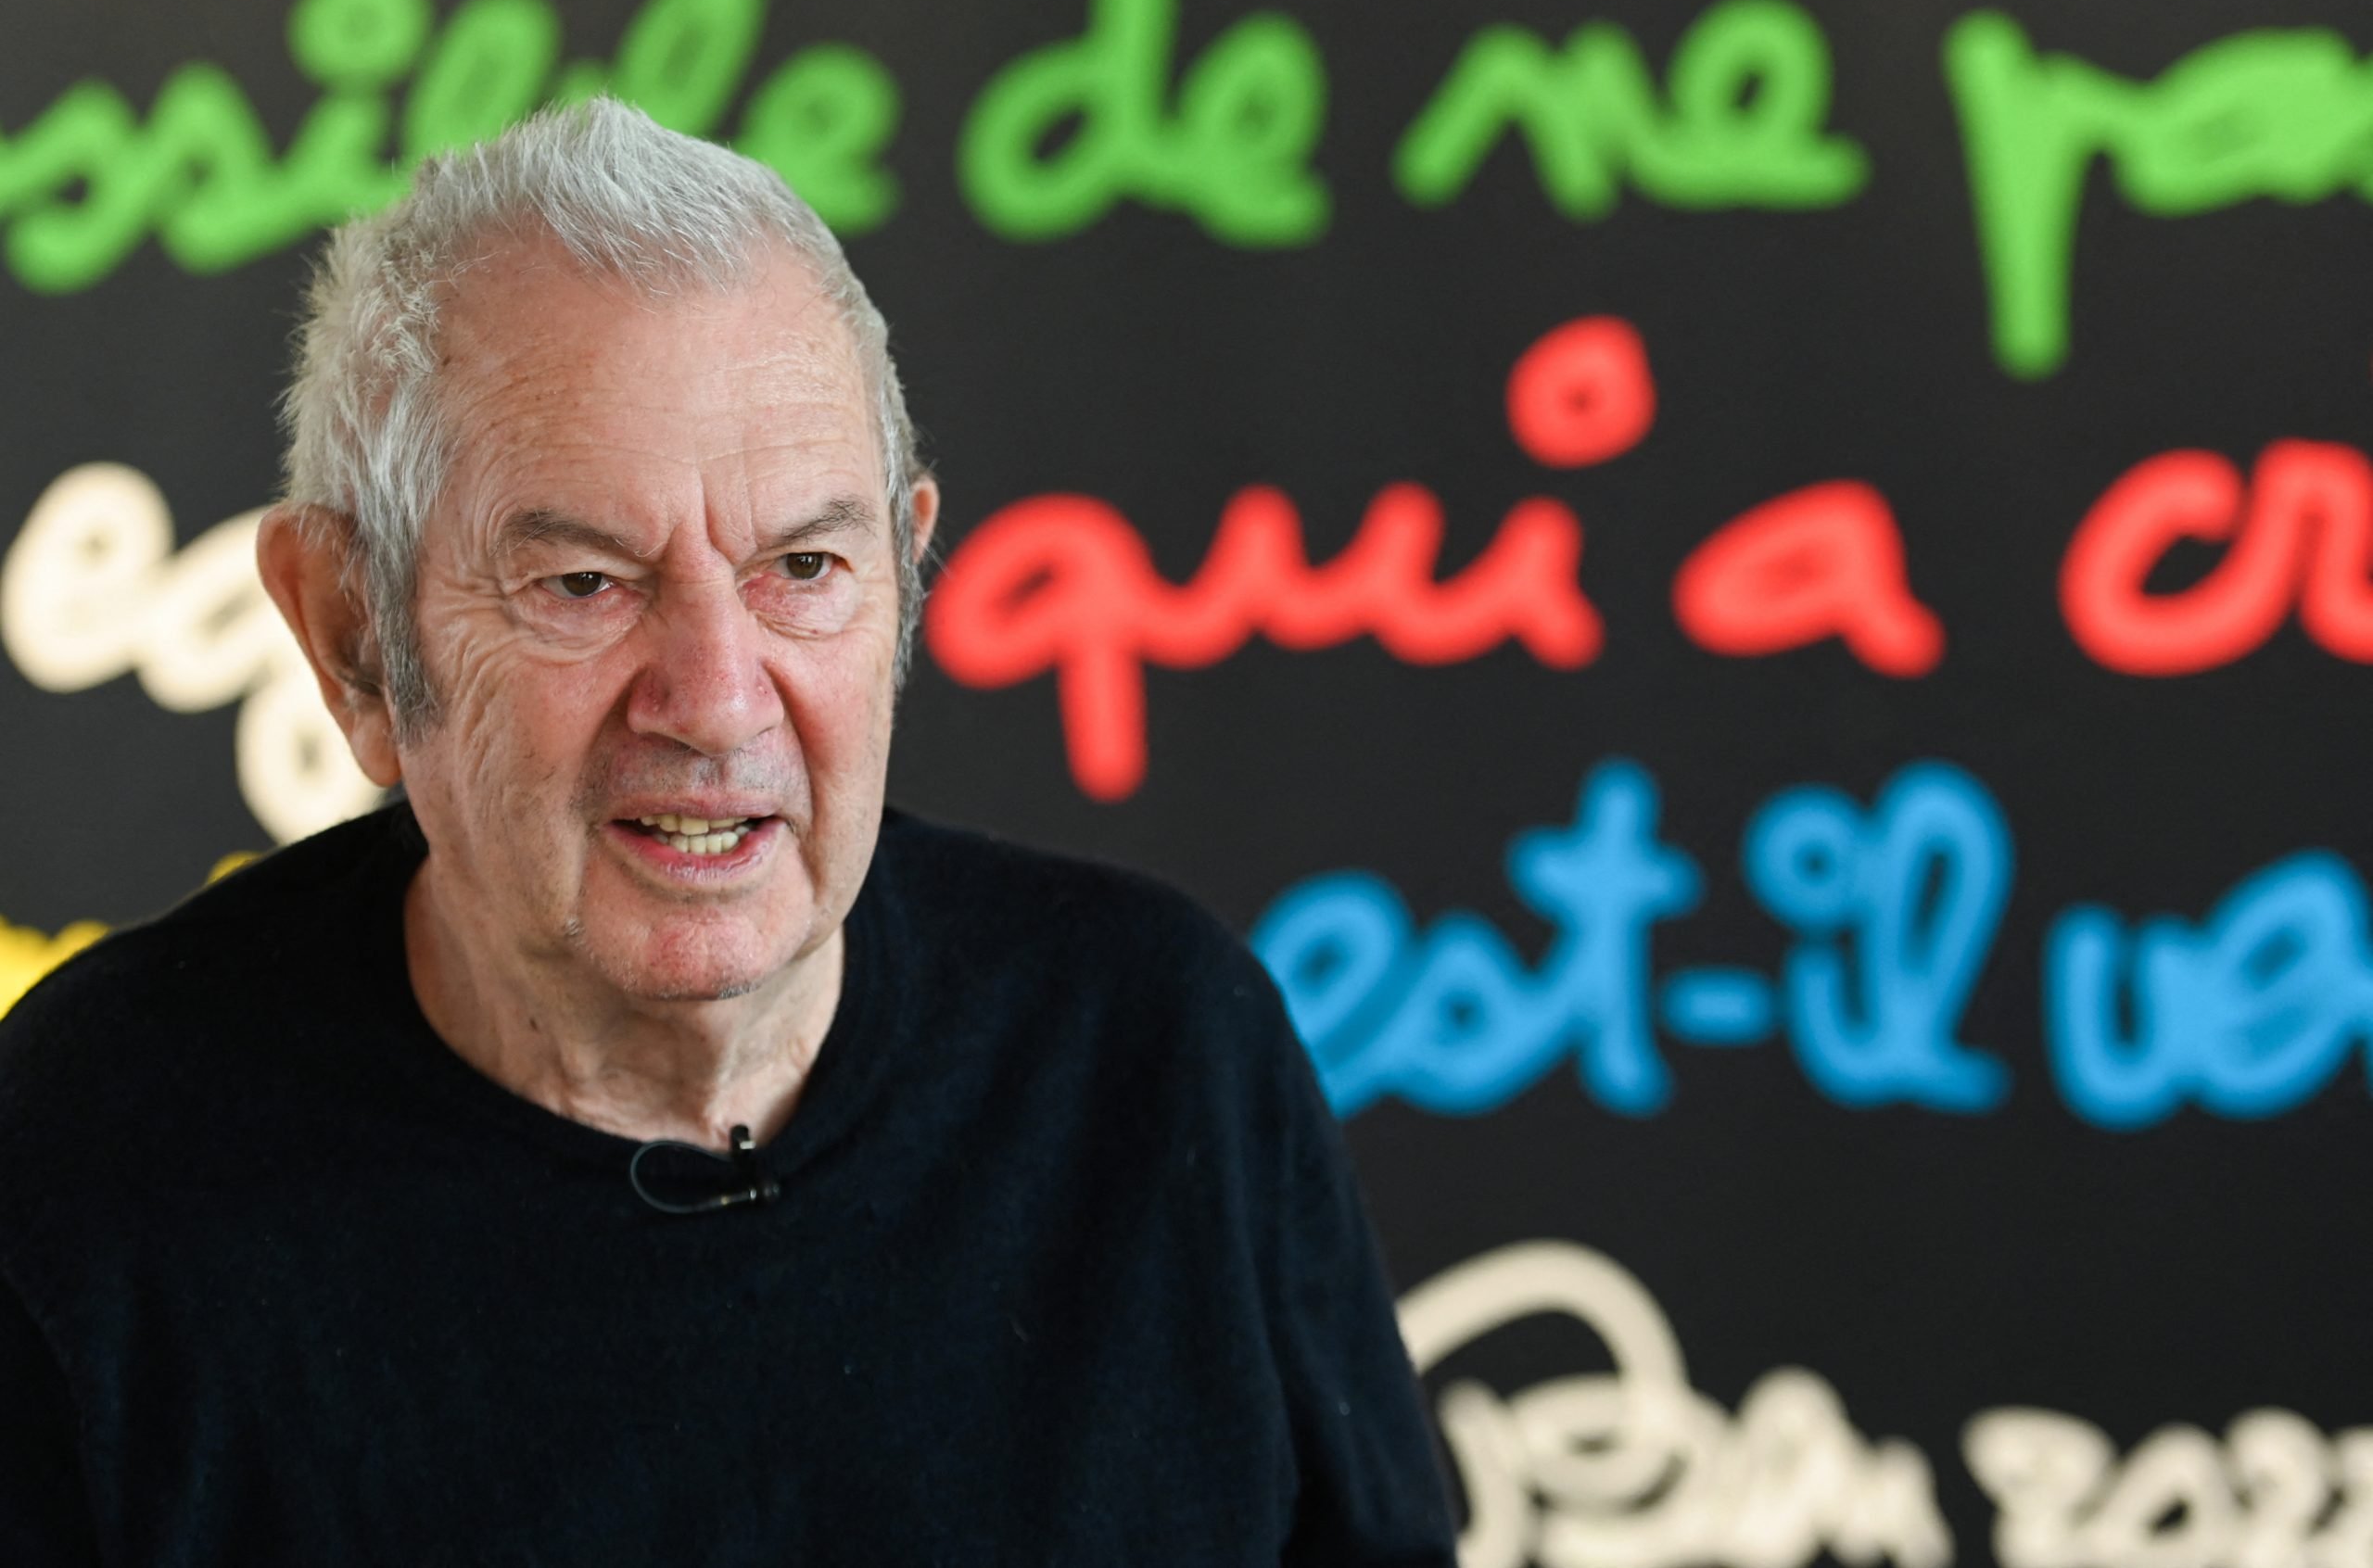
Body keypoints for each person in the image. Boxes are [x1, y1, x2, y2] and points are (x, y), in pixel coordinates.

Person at [0, 99, 1457, 1563]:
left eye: (805, 566)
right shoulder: (80, 1170)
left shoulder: (1160, 1056)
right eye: (584, 584)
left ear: (906, 572)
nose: (713, 700)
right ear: (352, 640)